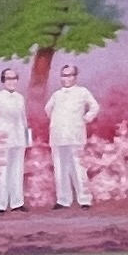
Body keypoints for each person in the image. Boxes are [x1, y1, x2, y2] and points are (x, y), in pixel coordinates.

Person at [45, 57, 97, 208]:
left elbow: (94, 107)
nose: (66, 78)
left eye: (69, 75)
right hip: (58, 136)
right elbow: (48, 109)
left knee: (78, 167)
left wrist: (85, 119)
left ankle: (84, 200)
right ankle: (63, 200)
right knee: (60, 169)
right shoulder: (56, 94)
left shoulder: (82, 92)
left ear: (75, 77)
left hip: (75, 135)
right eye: (63, 75)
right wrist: (58, 122)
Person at [0, 63, 30, 211]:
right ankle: (0, 205)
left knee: (17, 171)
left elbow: (24, 118)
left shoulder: (20, 98)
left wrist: (27, 139)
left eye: (14, 78)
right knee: (3, 171)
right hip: (4, 138)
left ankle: (17, 203)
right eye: (8, 78)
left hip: (19, 138)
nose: (12, 81)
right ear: (3, 81)